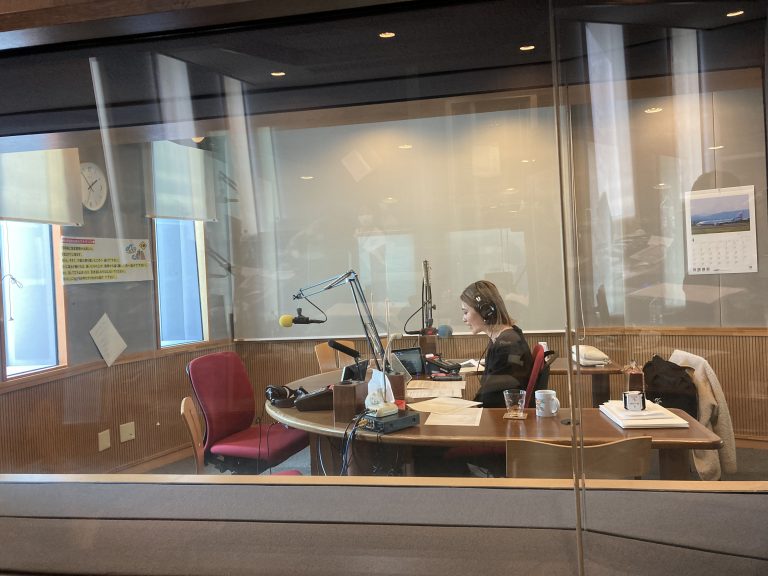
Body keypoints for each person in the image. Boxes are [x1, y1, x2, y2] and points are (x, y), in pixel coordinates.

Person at [460, 280, 533, 408]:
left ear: (485, 312)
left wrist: (466, 409)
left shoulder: (506, 346)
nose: (463, 319)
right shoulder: (505, 337)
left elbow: (491, 400)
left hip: (499, 416)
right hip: (496, 413)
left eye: (466, 312)